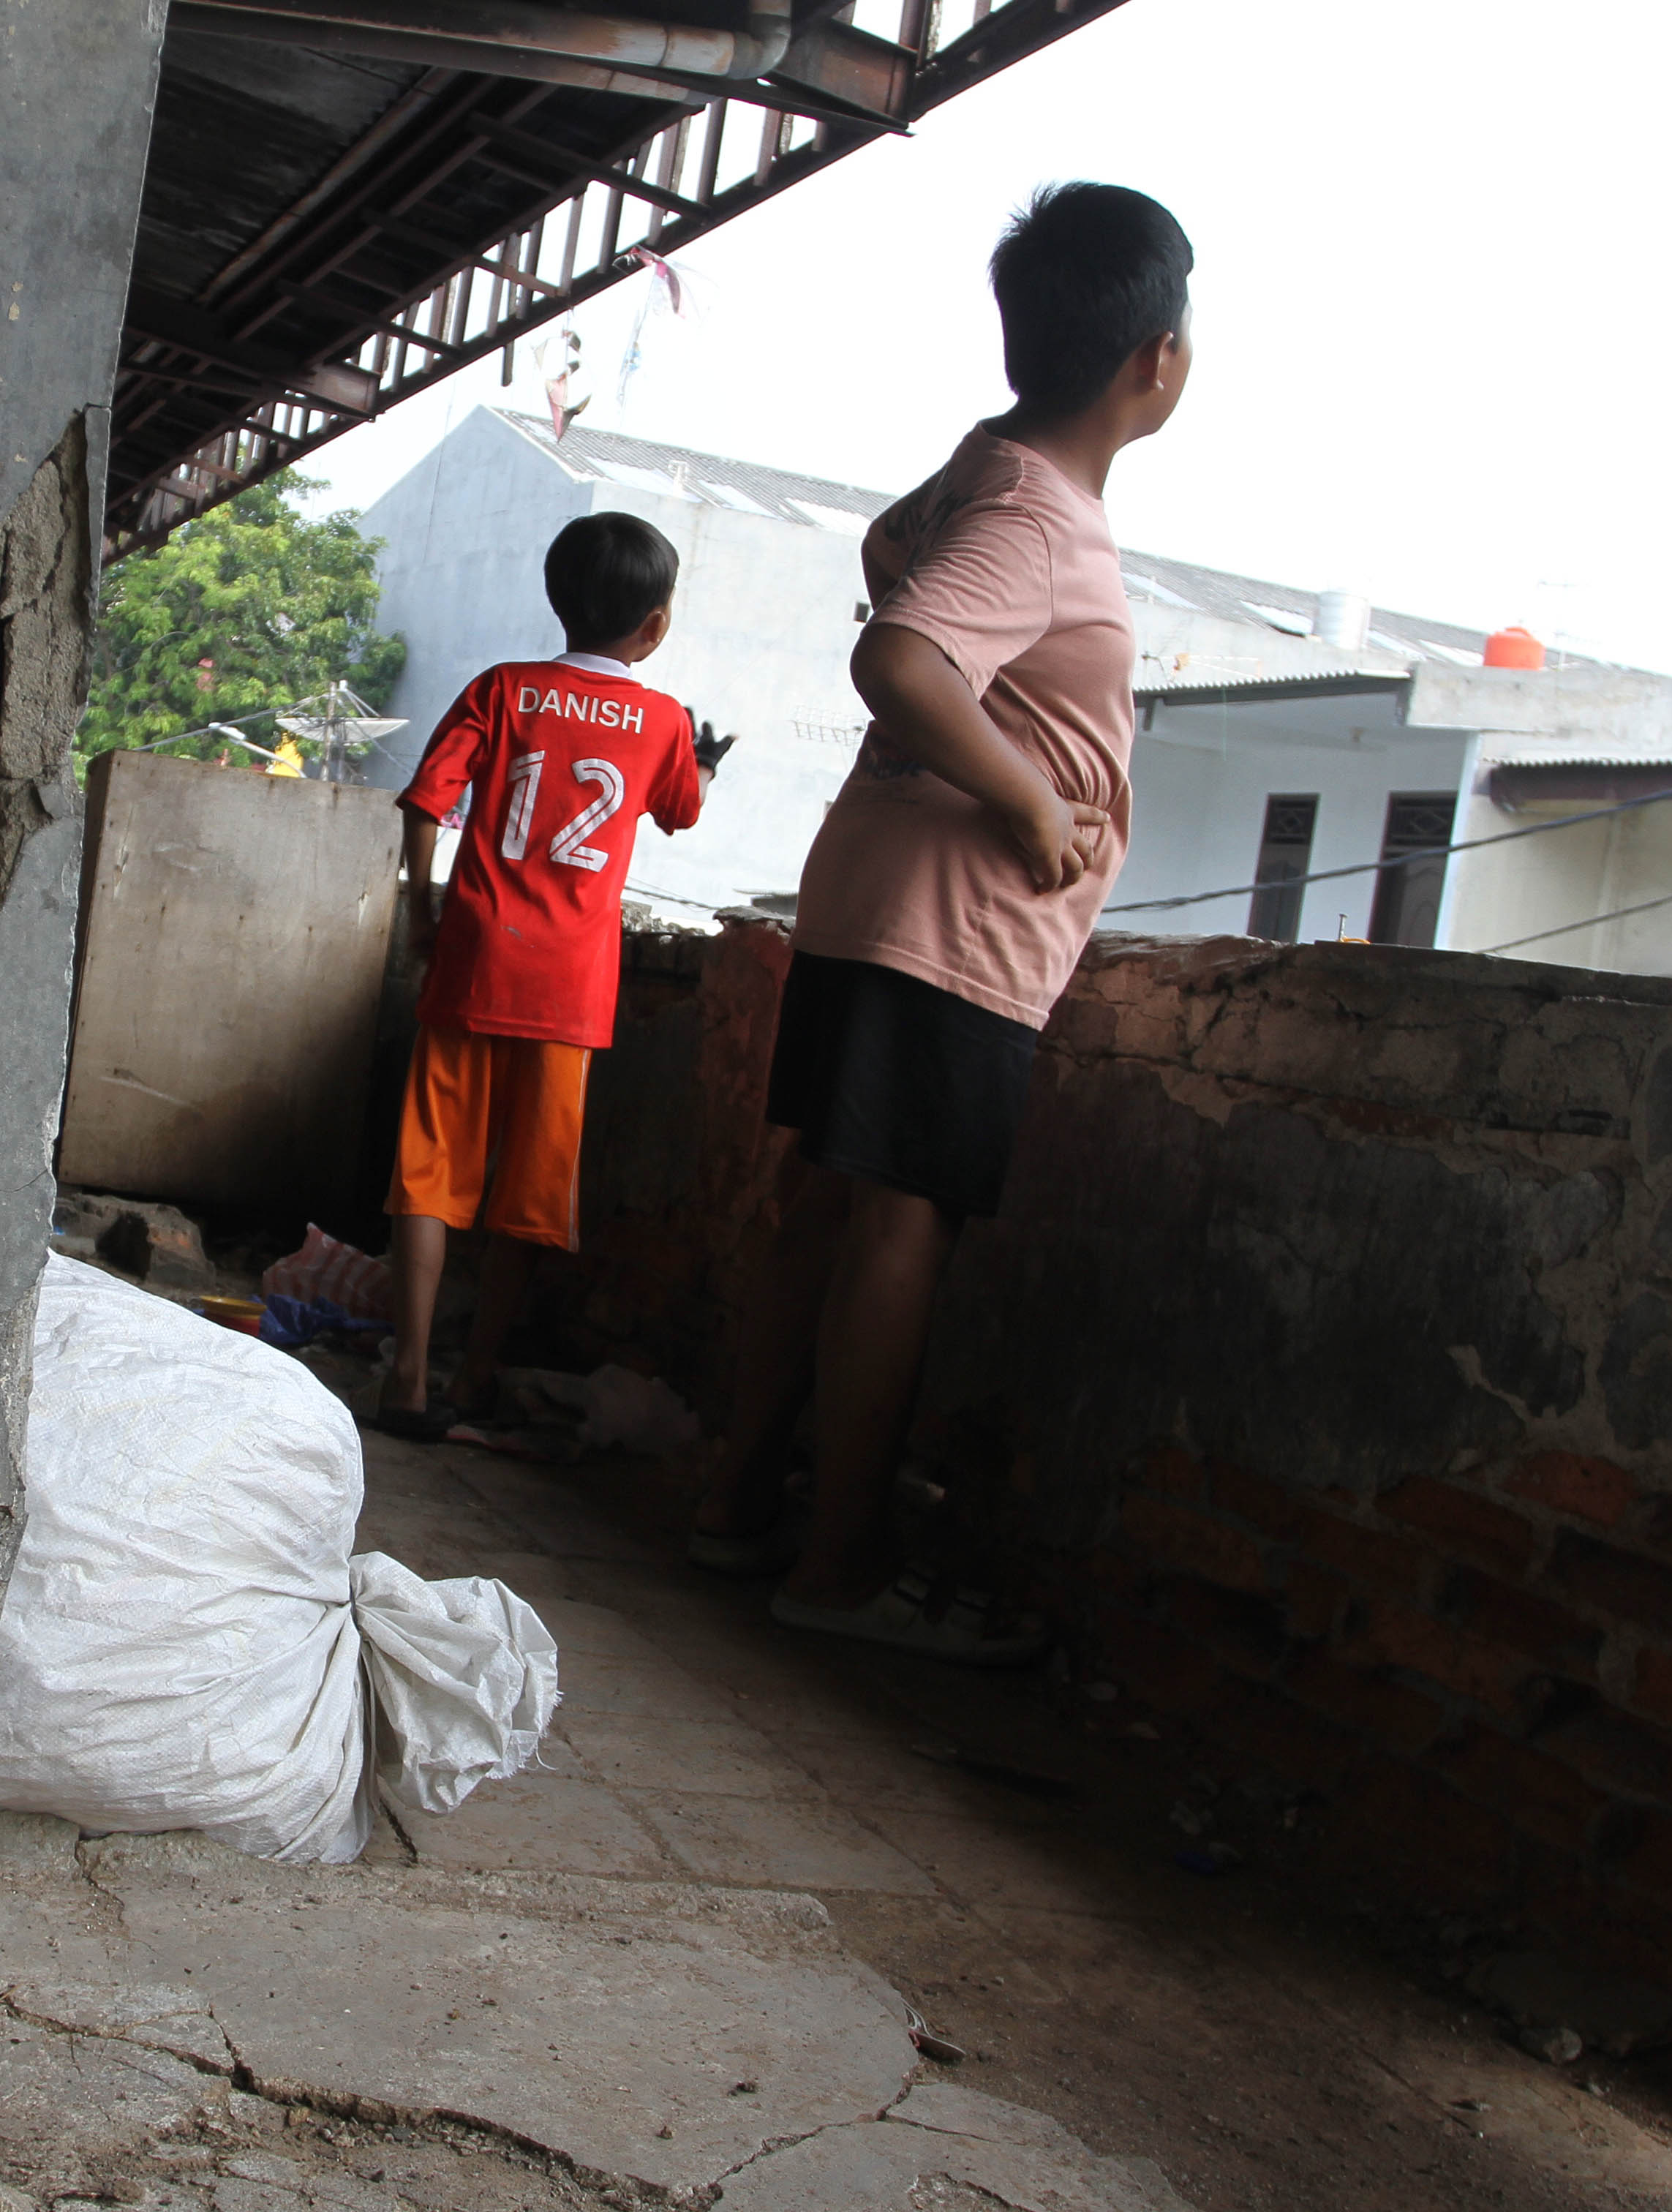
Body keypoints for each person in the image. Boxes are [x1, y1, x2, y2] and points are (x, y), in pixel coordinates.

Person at [682, 181, 1194, 1654]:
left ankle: (735, 1508)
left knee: (821, 1205)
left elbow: (888, 557)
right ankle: (838, 1568)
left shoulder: (993, 465)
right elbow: (904, 652)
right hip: (958, 921)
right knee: (900, 1228)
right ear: (1155, 359)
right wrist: (1032, 804)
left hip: (876, 888)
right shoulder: (1044, 518)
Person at [369, 512, 723, 1442]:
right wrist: (706, 769)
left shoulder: (505, 688)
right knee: (528, 1197)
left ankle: (406, 1379)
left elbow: (427, 804)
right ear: (655, 625)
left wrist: (420, 908)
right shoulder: (664, 720)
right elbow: (682, 810)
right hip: (570, 991)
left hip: (477, 958)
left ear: (558, 600)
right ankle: (476, 1380)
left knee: (429, 1173)